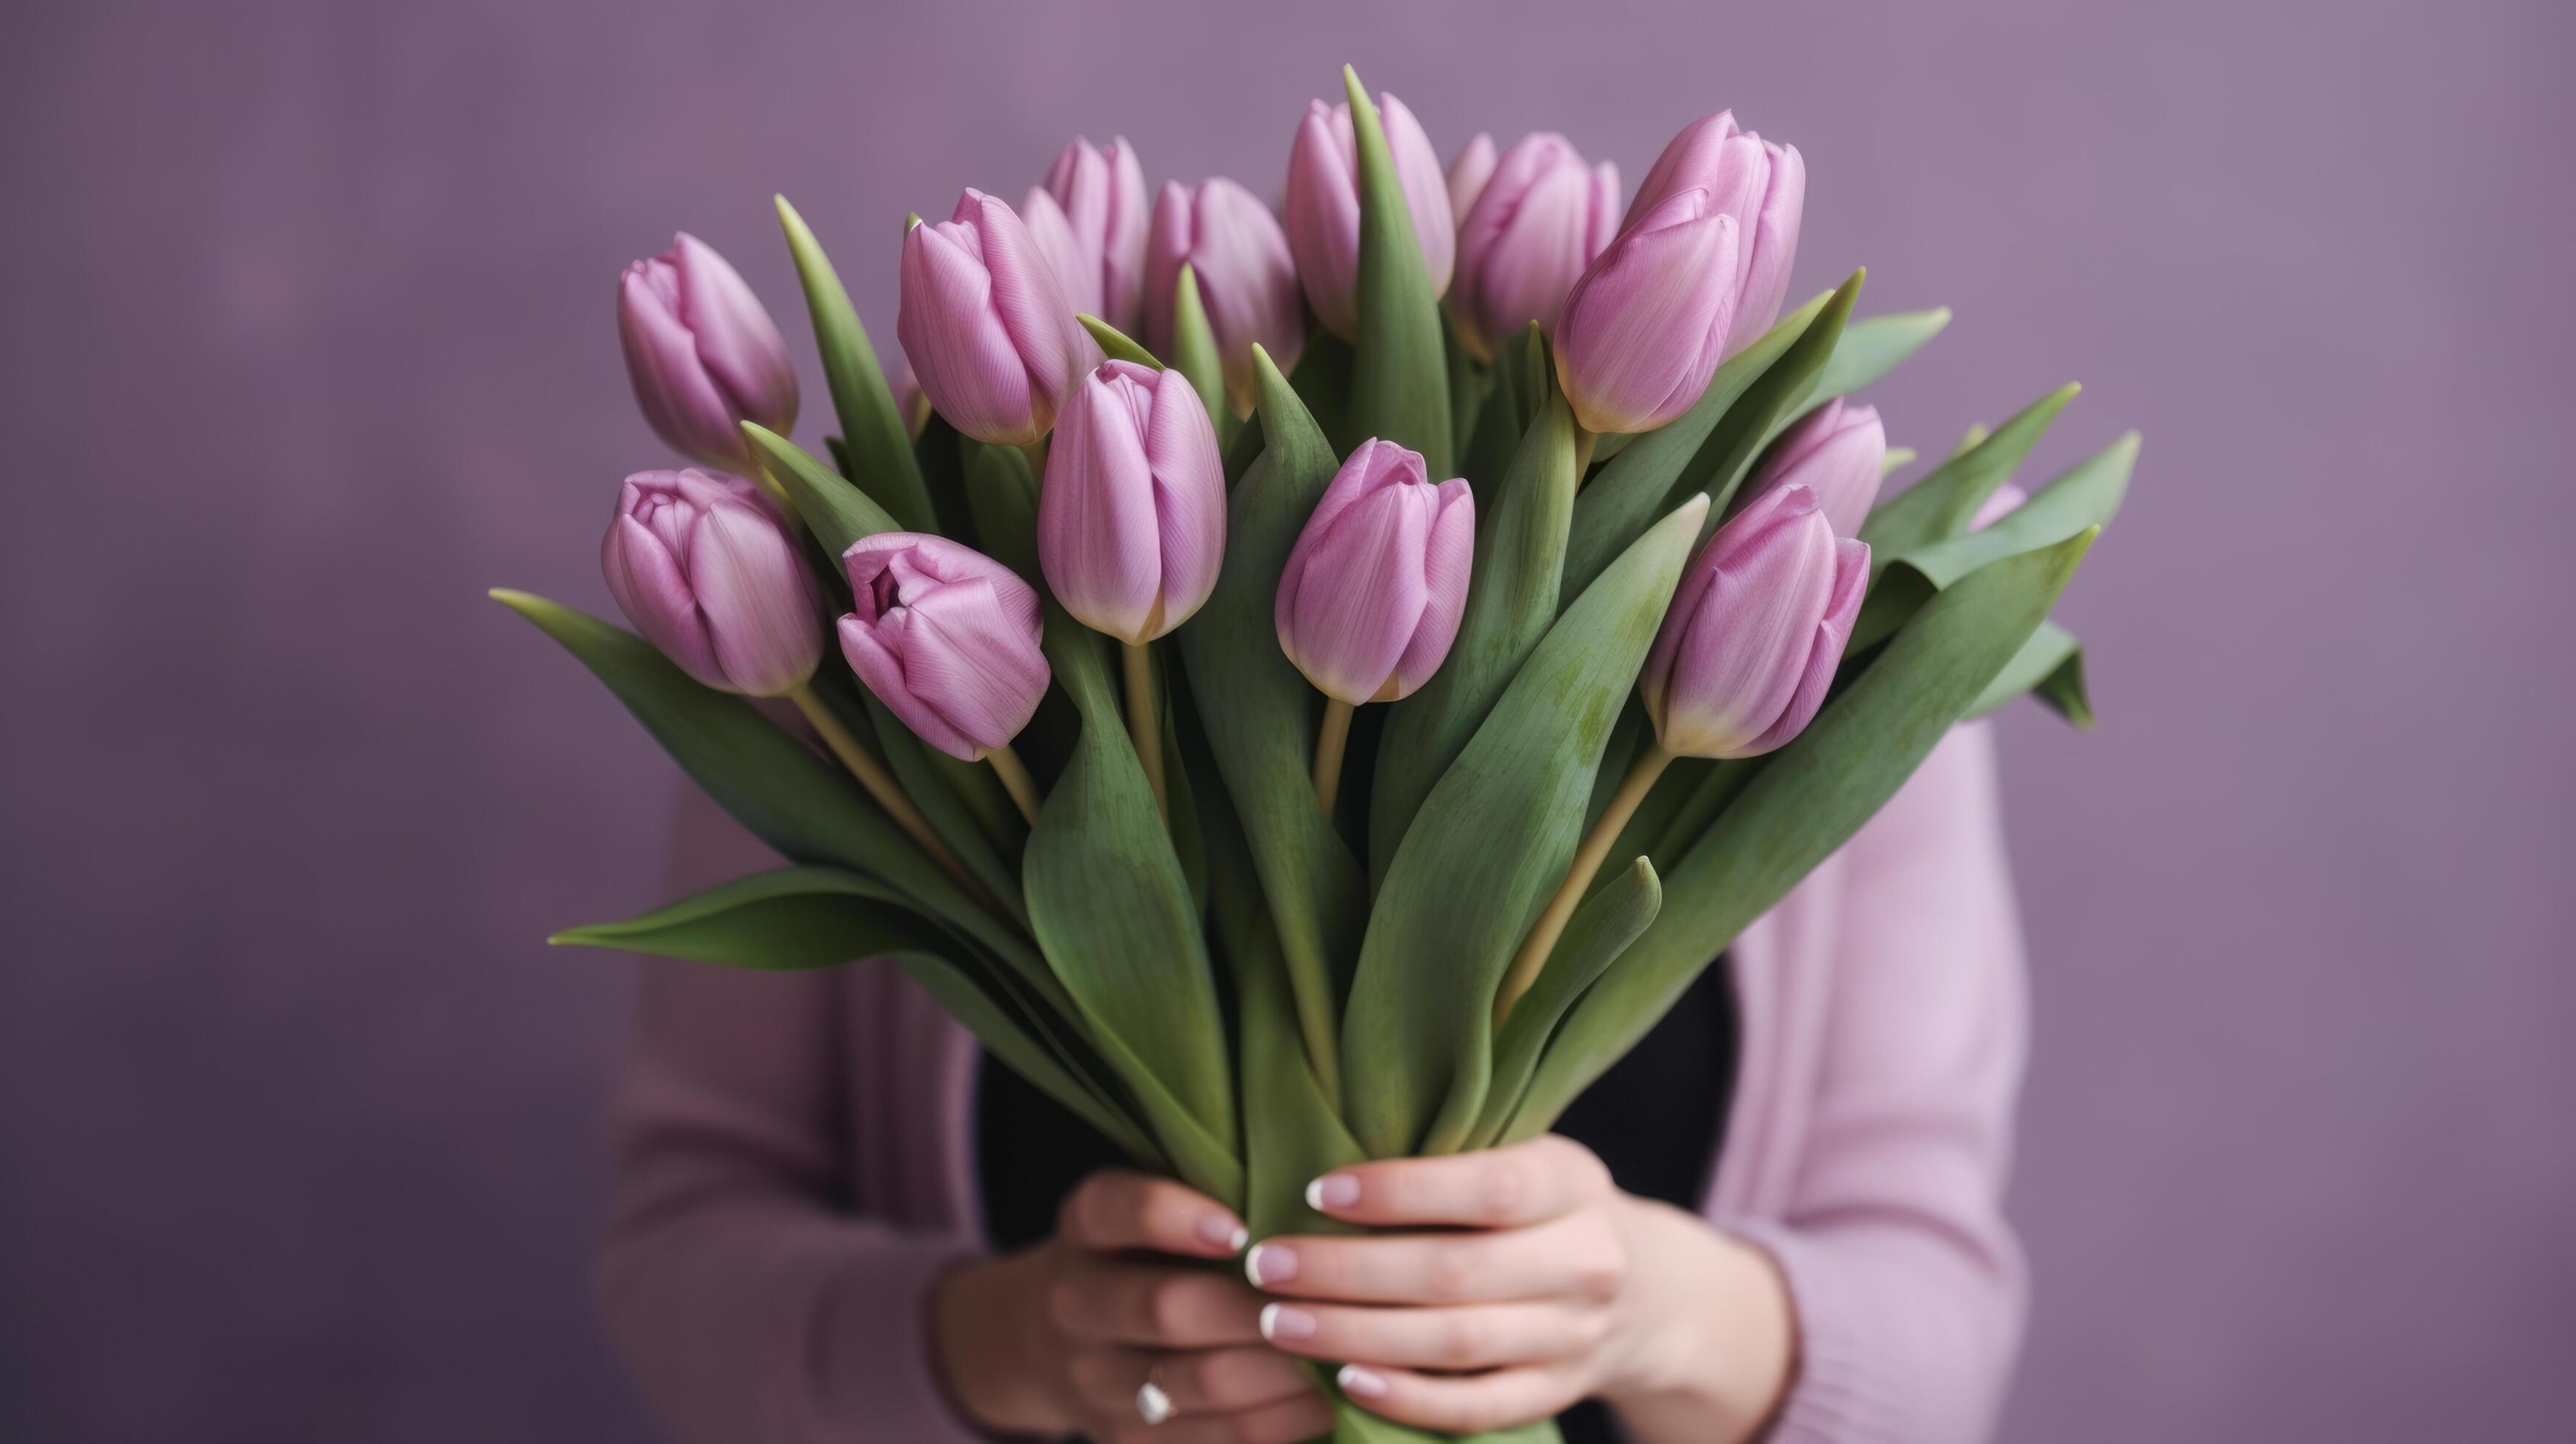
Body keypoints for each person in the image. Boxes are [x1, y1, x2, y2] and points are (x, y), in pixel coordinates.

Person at [597, 723, 2029, 1443]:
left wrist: (1647, 1310)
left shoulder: (1824, 644)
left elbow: (1942, 1313)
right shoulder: (875, 637)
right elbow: (684, 1247)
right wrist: (1011, 1344)